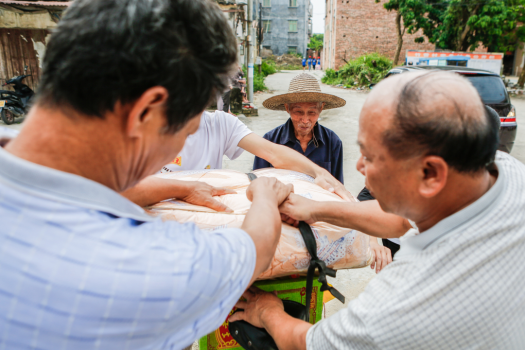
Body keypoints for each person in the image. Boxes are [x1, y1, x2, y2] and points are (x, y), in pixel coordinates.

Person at [0, 1, 294, 349]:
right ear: (146, 113)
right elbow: (255, 248)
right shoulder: (154, 265)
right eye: (186, 133)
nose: (178, 150)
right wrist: (264, 195)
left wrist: (177, 187)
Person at [231, 71, 525, 349]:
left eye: (371, 156)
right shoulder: (505, 171)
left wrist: (268, 312)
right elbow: (397, 220)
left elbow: (308, 343)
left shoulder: (395, 304)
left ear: (430, 174)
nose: (359, 166)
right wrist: (316, 209)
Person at [122, 108, 350, 210]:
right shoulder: (135, 126)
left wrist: (320, 173)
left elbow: (273, 153)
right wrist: (184, 189)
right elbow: (117, 191)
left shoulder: (219, 123)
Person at [254, 73, 345, 183]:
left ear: (321, 108)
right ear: (287, 108)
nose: (305, 120)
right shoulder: (270, 141)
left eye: (312, 112)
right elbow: (258, 185)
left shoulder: (333, 142)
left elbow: (337, 186)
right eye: (298, 112)